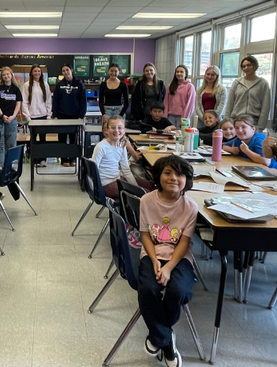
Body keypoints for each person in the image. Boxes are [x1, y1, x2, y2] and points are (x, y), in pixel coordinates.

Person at [138, 155, 197, 367]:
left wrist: (169, 267)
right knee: (147, 289)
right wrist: (155, 261)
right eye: (167, 173)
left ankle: (158, 337)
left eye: (179, 174)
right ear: (158, 176)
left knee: (180, 290)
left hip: (179, 258)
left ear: (187, 179)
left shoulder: (190, 207)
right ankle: (167, 341)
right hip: (151, 254)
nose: (173, 178)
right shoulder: (146, 200)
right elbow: (145, 234)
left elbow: (184, 242)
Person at [92, 115, 154, 198]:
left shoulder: (122, 145)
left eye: (120, 128)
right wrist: (100, 194)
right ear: (107, 130)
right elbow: (92, 170)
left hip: (118, 179)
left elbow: (126, 170)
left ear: (124, 130)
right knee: (148, 194)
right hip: (106, 184)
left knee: (152, 186)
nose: (116, 130)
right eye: (112, 127)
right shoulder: (101, 147)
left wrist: (136, 187)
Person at [53, 63, 88, 167]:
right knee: (62, 139)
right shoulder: (59, 85)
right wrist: (55, 115)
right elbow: (55, 101)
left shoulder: (79, 83)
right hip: (62, 115)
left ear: (71, 70)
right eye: (63, 71)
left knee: (74, 139)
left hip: (75, 116)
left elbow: (83, 101)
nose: (65, 72)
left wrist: (81, 115)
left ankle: (73, 159)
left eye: (67, 70)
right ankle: (64, 159)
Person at [224, 55, 272, 130]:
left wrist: (261, 126)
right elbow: (229, 104)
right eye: (243, 66)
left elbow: (265, 107)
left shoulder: (263, 83)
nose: (246, 68)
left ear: (255, 66)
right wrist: (226, 122)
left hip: (254, 122)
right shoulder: (236, 82)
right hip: (236, 121)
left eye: (249, 65)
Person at [0, 66, 23, 167]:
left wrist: (13, 116)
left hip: (12, 120)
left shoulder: (16, 88)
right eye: (4, 75)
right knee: (0, 143)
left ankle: (10, 164)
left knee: (11, 143)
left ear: (11, 75)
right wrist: (2, 115)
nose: (6, 76)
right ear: (1, 76)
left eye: (8, 74)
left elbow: (18, 103)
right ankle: (1, 165)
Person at [21, 65, 52, 166]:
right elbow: (24, 102)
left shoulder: (45, 85)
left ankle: (42, 159)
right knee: (33, 138)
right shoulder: (26, 85)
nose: (37, 73)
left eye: (39, 71)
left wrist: (49, 115)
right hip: (32, 117)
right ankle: (34, 159)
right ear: (31, 73)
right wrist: (27, 117)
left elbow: (48, 101)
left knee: (43, 138)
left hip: (43, 116)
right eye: (35, 71)